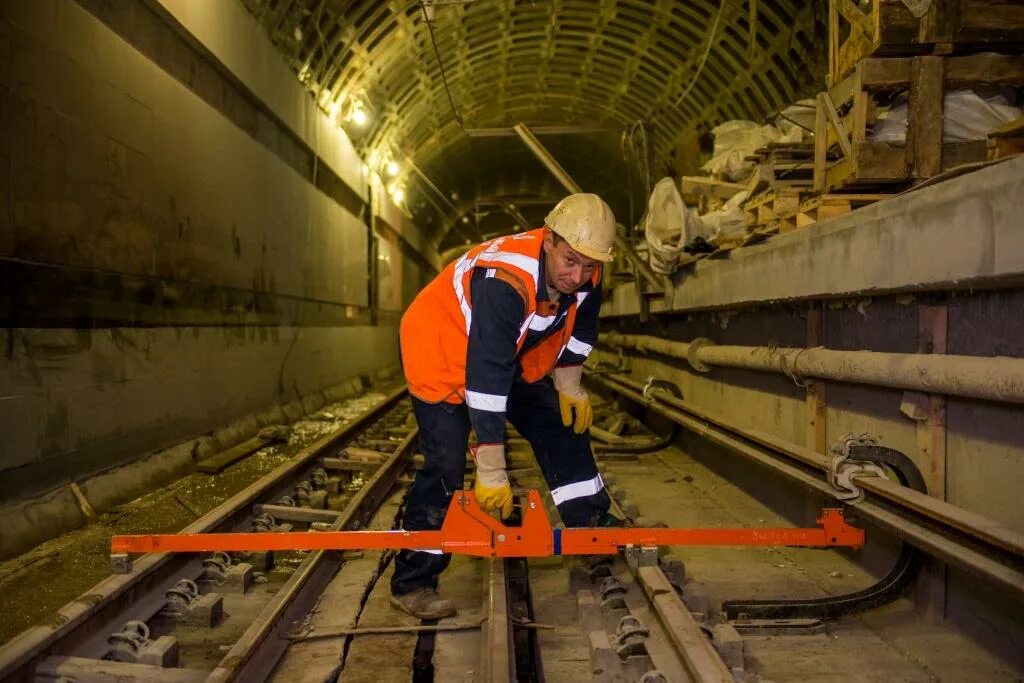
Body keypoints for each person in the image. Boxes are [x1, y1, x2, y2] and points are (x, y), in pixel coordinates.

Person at [390, 193, 620, 619]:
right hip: (440, 349)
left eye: (589, 266)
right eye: (570, 261)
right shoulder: (505, 281)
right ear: (548, 241)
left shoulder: (587, 271)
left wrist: (569, 384)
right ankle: (413, 582)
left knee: (559, 424)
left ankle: (590, 531)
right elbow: (486, 377)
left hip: (502, 353)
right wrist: (491, 467)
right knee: (445, 463)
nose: (578, 275)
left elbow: (582, 332)